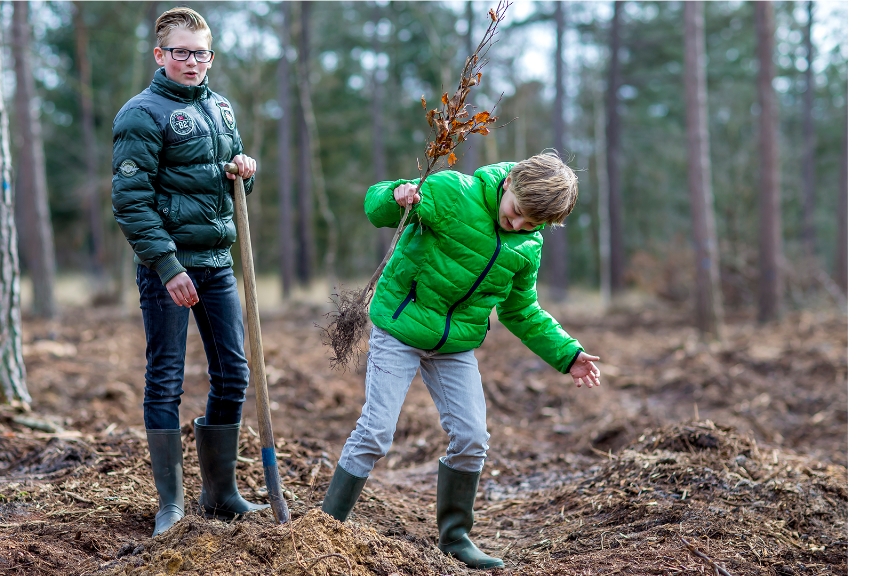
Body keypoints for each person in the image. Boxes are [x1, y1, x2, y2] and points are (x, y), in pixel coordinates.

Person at [320, 151, 601, 569]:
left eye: (534, 223)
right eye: (519, 212)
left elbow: (521, 311)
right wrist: (397, 197)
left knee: (472, 439)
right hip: (399, 329)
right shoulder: (453, 190)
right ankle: (324, 528)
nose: (520, 225)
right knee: (377, 431)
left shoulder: (528, 245)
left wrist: (568, 353)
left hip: (455, 346)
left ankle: (455, 536)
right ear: (509, 184)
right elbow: (375, 206)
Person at [111, 6, 266, 537]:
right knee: (166, 381)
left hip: (218, 264)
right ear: (160, 55)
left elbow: (227, 189)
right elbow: (131, 202)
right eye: (182, 52)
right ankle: (170, 505)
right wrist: (168, 266)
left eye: (201, 53)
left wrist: (244, 173)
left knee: (234, 375)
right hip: (168, 270)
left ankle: (221, 493)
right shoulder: (141, 113)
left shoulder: (221, 108)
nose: (193, 62)